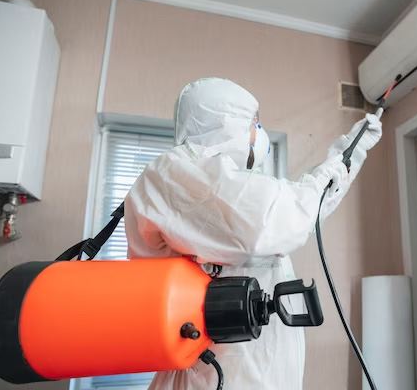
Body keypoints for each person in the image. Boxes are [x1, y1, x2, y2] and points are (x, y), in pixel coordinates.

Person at [124, 77, 382, 390]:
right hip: (211, 377)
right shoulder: (173, 174)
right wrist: (333, 167)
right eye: (253, 123)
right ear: (226, 124)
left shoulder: (226, 185)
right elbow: (275, 220)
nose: (259, 133)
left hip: (251, 371)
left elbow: (301, 214)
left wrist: (351, 153)